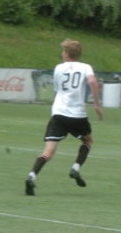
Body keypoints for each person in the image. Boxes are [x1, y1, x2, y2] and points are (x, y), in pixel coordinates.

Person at [25, 39, 103, 196]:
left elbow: (58, 90)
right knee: (87, 141)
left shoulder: (58, 68)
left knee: (48, 151)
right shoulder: (85, 67)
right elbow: (92, 82)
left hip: (59, 113)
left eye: (63, 51)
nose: (62, 53)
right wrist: (97, 104)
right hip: (77, 114)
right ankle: (76, 168)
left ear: (67, 53)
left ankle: (32, 175)